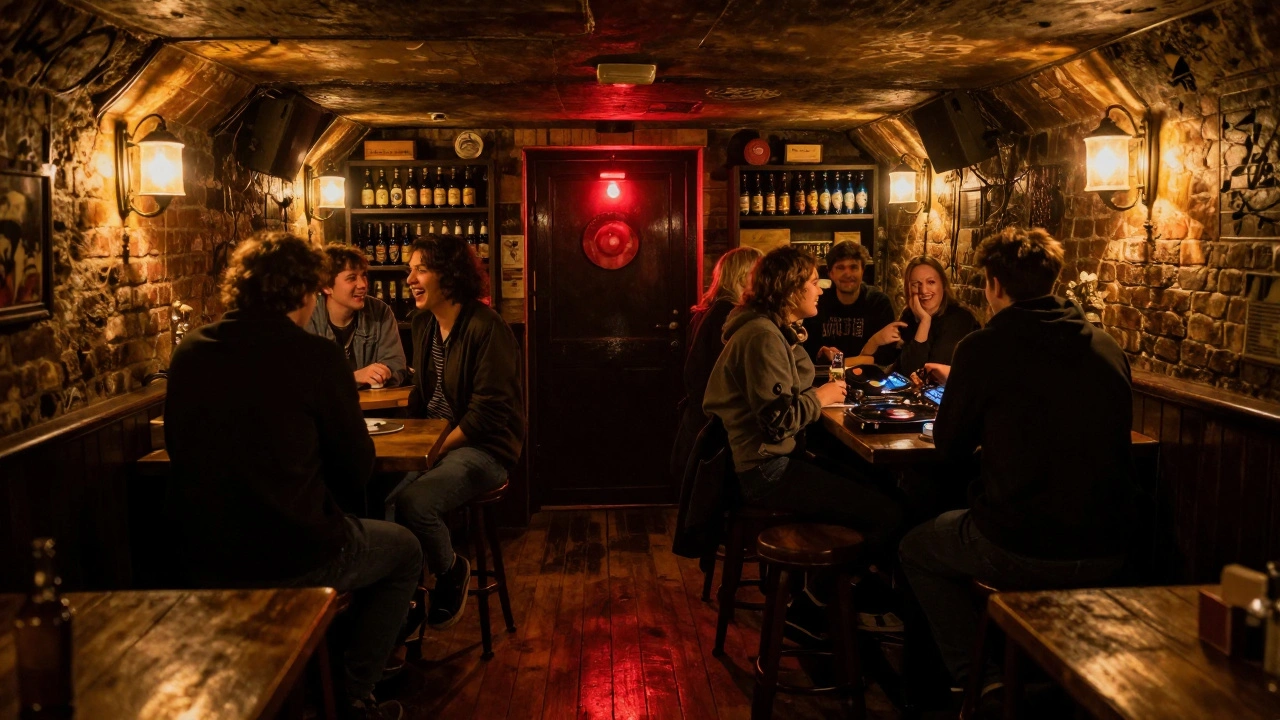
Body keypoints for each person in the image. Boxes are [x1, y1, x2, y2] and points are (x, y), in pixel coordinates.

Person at [164, 232, 419, 720]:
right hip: (291, 553)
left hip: (203, 553)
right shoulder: (315, 357)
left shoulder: (191, 351)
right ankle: (354, 694)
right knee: (405, 550)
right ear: (306, 292)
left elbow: (180, 448)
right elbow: (357, 470)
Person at [898, 227, 1137, 705]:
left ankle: (977, 678)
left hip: (1021, 544)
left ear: (993, 284)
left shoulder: (983, 347)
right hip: (1111, 542)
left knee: (916, 548)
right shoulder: (1107, 347)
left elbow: (948, 448)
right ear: (1053, 279)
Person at [703, 245, 902, 549]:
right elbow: (777, 422)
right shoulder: (762, 336)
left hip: (772, 461)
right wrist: (820, 398)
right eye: (812, 282)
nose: (820, 289)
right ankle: (827, 591)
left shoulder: (772, 330)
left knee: (877, 483)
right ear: (789, 288)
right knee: (887, 512)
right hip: (765, 471)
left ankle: (839, 583)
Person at [394, 233, 525, 631]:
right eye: (409, 269)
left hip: (485, 449)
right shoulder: (422, 323)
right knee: (381, 498)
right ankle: (403, 603)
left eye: (421, 269)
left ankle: (450, 571)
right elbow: (424, 390)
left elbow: (488, 414)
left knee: (414, 502)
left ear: (448, 277)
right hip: (439, 440)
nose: (410, 279)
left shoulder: (487, 327)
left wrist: (432, 450)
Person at [669, 246, 762, 485]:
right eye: (761, 272)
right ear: (745, 276)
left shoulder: (709, 309)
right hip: (713, 420)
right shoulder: (729, 315)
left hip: (698, 416)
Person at [307, 243, 408, 388]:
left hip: (375, 408)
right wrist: (353, 378)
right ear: (327, 287)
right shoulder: (309, 315)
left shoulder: (379, 311)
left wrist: (384, 374)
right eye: (351, 278)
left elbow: (396, 364)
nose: (362, 285)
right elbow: (302, 379)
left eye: (364, 276)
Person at [864, 255, 979, 375]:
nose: (923, 290)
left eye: (931, 282)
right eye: (916, 284)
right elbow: (881, 361)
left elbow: (919, 374)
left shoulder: (959, 319)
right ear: (908, 288)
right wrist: (875, 340)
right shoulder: (910, 315)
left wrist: (925, 322)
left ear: (943, 284)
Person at [800, 241, 894, 367]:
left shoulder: (878, 303)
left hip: (868, 378)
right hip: (825, 379)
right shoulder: (817, 303)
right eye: (840, 268)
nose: (848, 274)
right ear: (831, 273)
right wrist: (821, 353)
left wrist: (840, 362)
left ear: (862, 271)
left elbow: (887, 357)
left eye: (853, 267)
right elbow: (806, 350)